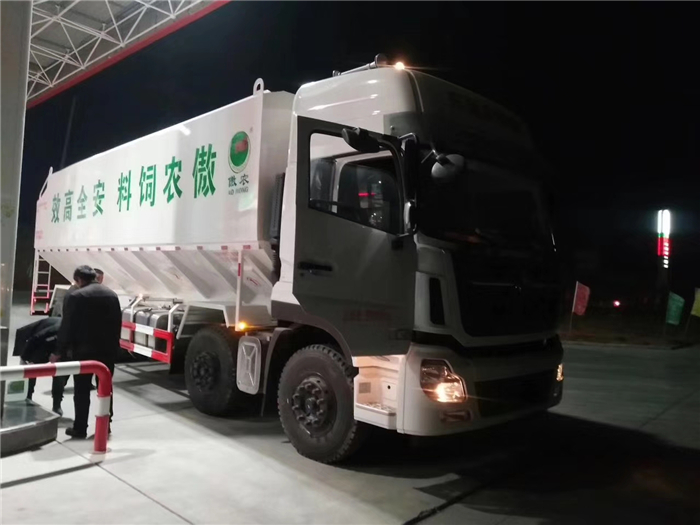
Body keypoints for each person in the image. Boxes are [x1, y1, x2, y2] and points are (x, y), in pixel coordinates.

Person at [52, 265, 121, 438]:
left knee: (81, 391)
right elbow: (117, 324)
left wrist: (59, 351)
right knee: (105, 389)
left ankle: (80, 427)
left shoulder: (76, 296)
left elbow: (67, 326)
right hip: (107, 351)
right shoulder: (112, 295)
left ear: (79, 280)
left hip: (83, 352)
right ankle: (106, 426)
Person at [13, 317, 68, 415]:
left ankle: (57, 405)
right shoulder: (54, 331)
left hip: (55, 346)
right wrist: (25, 359)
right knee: (31, 369)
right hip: (34, 341)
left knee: (60, 374)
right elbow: (34, 340)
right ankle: (27, 397)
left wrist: (57, 354)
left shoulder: (74, 337)